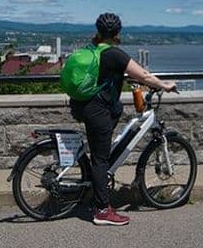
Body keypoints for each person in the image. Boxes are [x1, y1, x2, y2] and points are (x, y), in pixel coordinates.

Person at [70, 12, 177, 226]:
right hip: (97, 110)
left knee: (116, 109)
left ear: (98, 32)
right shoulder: (114, 54)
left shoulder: (93, 50)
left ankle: (100, 178)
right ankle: (102, 211)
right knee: (100, 160)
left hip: (85, 105)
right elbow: (144, 75)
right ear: (117, 33)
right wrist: (164, 85)